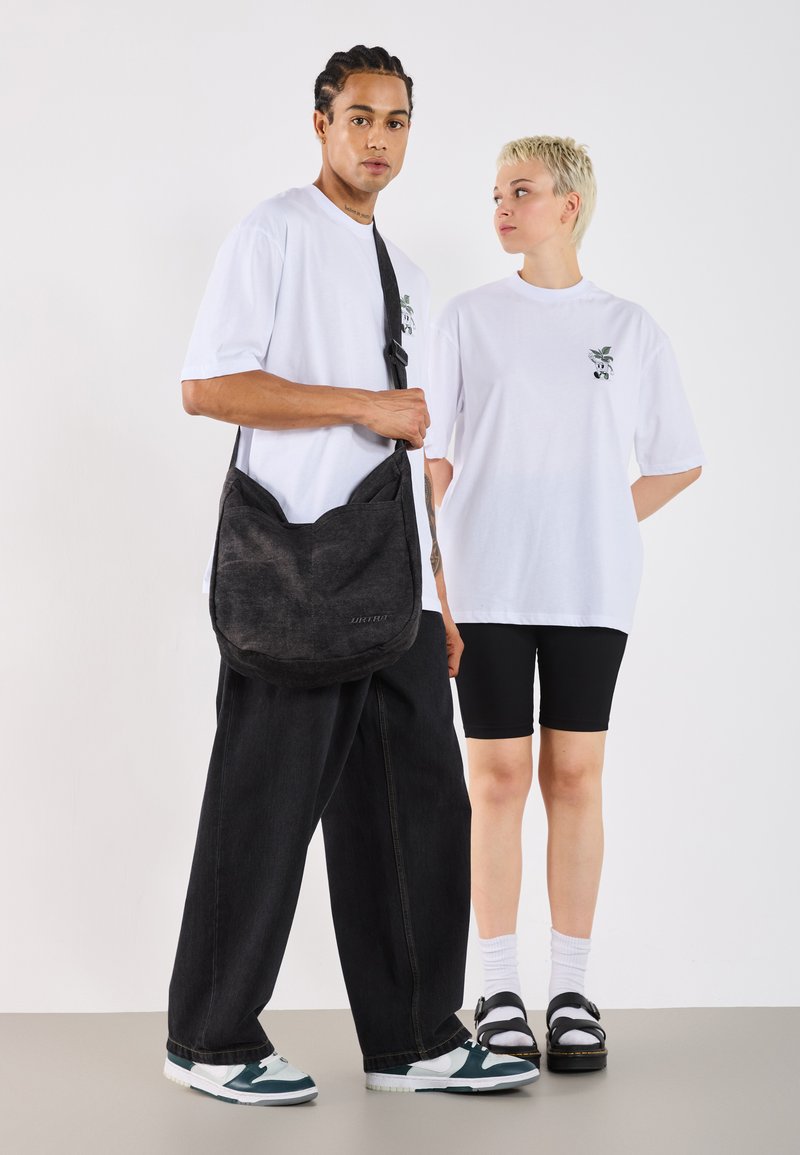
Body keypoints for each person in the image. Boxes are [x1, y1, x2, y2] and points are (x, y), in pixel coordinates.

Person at [164, 46, 538, 1104]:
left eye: (396, 121)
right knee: (264, 801)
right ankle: (208, 1039)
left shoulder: (405, 272)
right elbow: (207, 386)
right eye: (360, 117)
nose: (378, 138)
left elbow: (412, 444)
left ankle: (414, 1039)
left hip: (397, 580)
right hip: (298, 565)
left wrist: (441, 592)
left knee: (418, 807)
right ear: (321, 123)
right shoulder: (275, 231)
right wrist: (359, 405)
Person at [425, 135, 705, 1073]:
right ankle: (499, 986)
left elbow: (677, 459)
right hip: (488, 581)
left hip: (590, 584)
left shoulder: (629, 328)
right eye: (495, 193)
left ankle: (572, 990)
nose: (501, 208)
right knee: (498, 778)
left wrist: (599, 518)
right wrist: (438, 571)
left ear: (569, 205)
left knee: (576, 776)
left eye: (520, 191)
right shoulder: (469, 318)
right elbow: (436, 457)